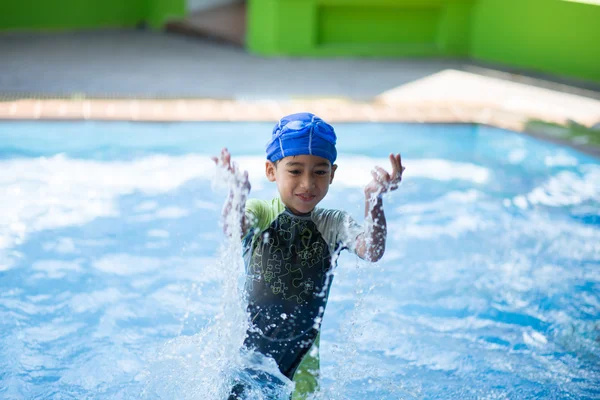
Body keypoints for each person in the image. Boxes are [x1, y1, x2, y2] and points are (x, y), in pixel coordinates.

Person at [213, 112, 404, 399]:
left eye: (319, 171)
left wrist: (374, 202)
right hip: (249, 353)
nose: (307, 183)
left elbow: (372, 250)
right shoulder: (262, 213)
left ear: (332, 174)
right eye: (295, 170)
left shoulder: (333, 223)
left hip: (303, 360)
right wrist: (237, 198)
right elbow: (233, 228)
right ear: (271, 171)